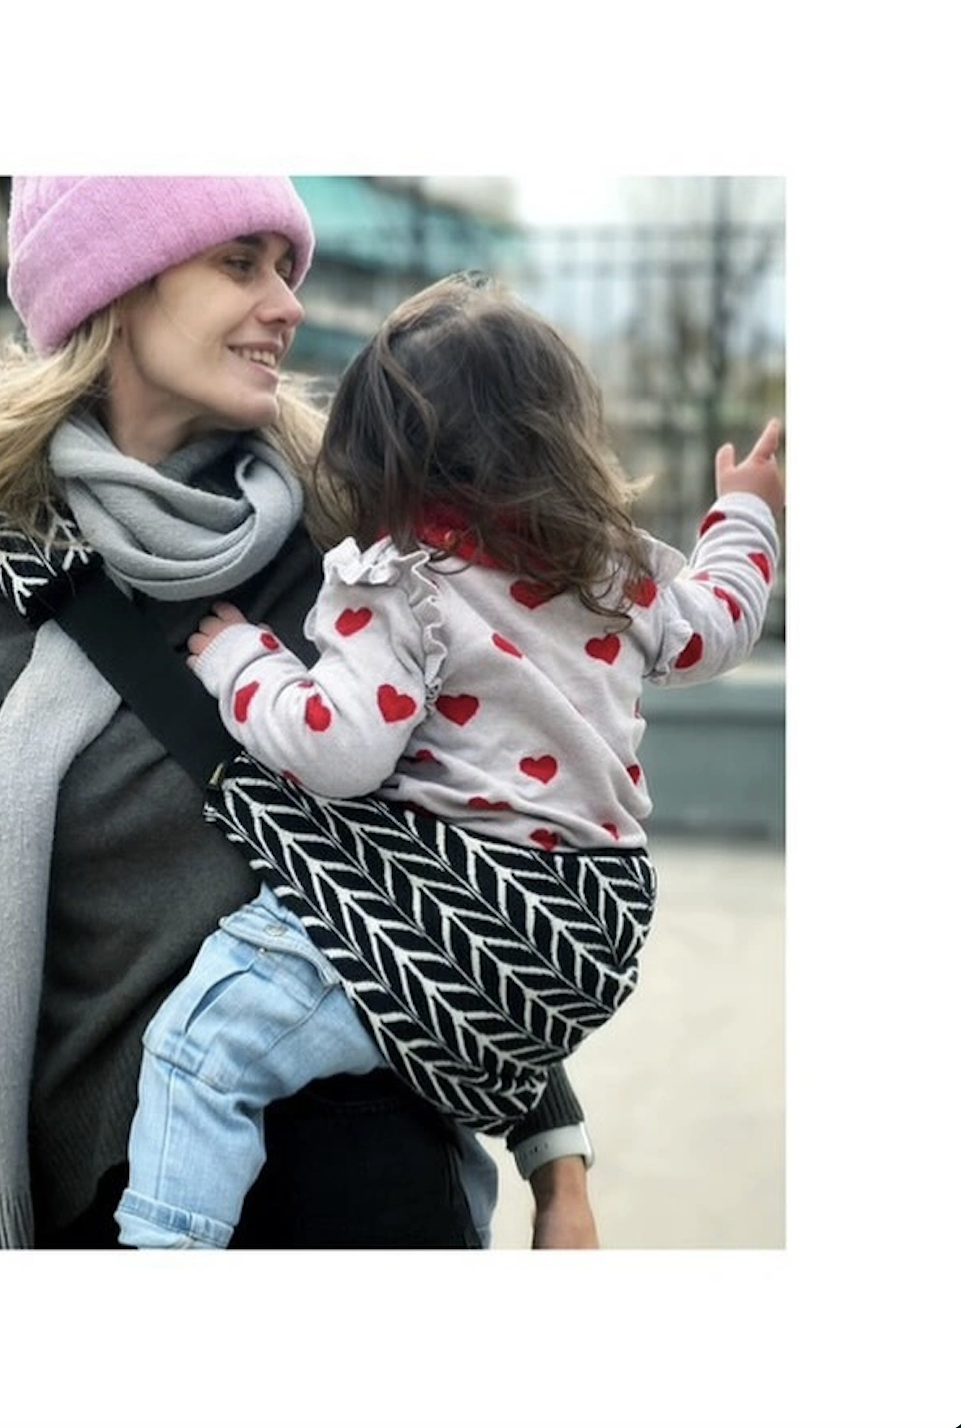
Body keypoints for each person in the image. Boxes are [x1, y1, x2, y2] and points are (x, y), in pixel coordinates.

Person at [0, 178, 600, 1250]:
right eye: (240, 264)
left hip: (378, 1200)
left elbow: (482, 845)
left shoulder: (361, 552)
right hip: (106, 1212)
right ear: (115, 285)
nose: (289, 304)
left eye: (286, 266)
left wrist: (560, 1166)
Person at [114, 270, 784, 1250]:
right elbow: (722, 624)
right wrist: (746, 515)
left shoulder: (402, 586)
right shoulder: (614, 572)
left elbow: (337, 749)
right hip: (593, 925)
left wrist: (241, 659)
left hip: (456, 903)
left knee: (200, 1049)